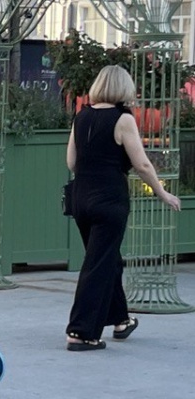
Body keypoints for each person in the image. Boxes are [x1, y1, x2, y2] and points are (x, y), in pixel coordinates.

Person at [65, 65, 181, 351]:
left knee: (107, 260)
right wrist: (161, 191)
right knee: (97, 265)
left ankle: (120, 319)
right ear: (124, 88)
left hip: (81, 198)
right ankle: (80, 332)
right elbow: (141, 163)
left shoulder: (81, 117)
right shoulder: (123, 119)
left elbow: (71, 162)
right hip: (109, 199)